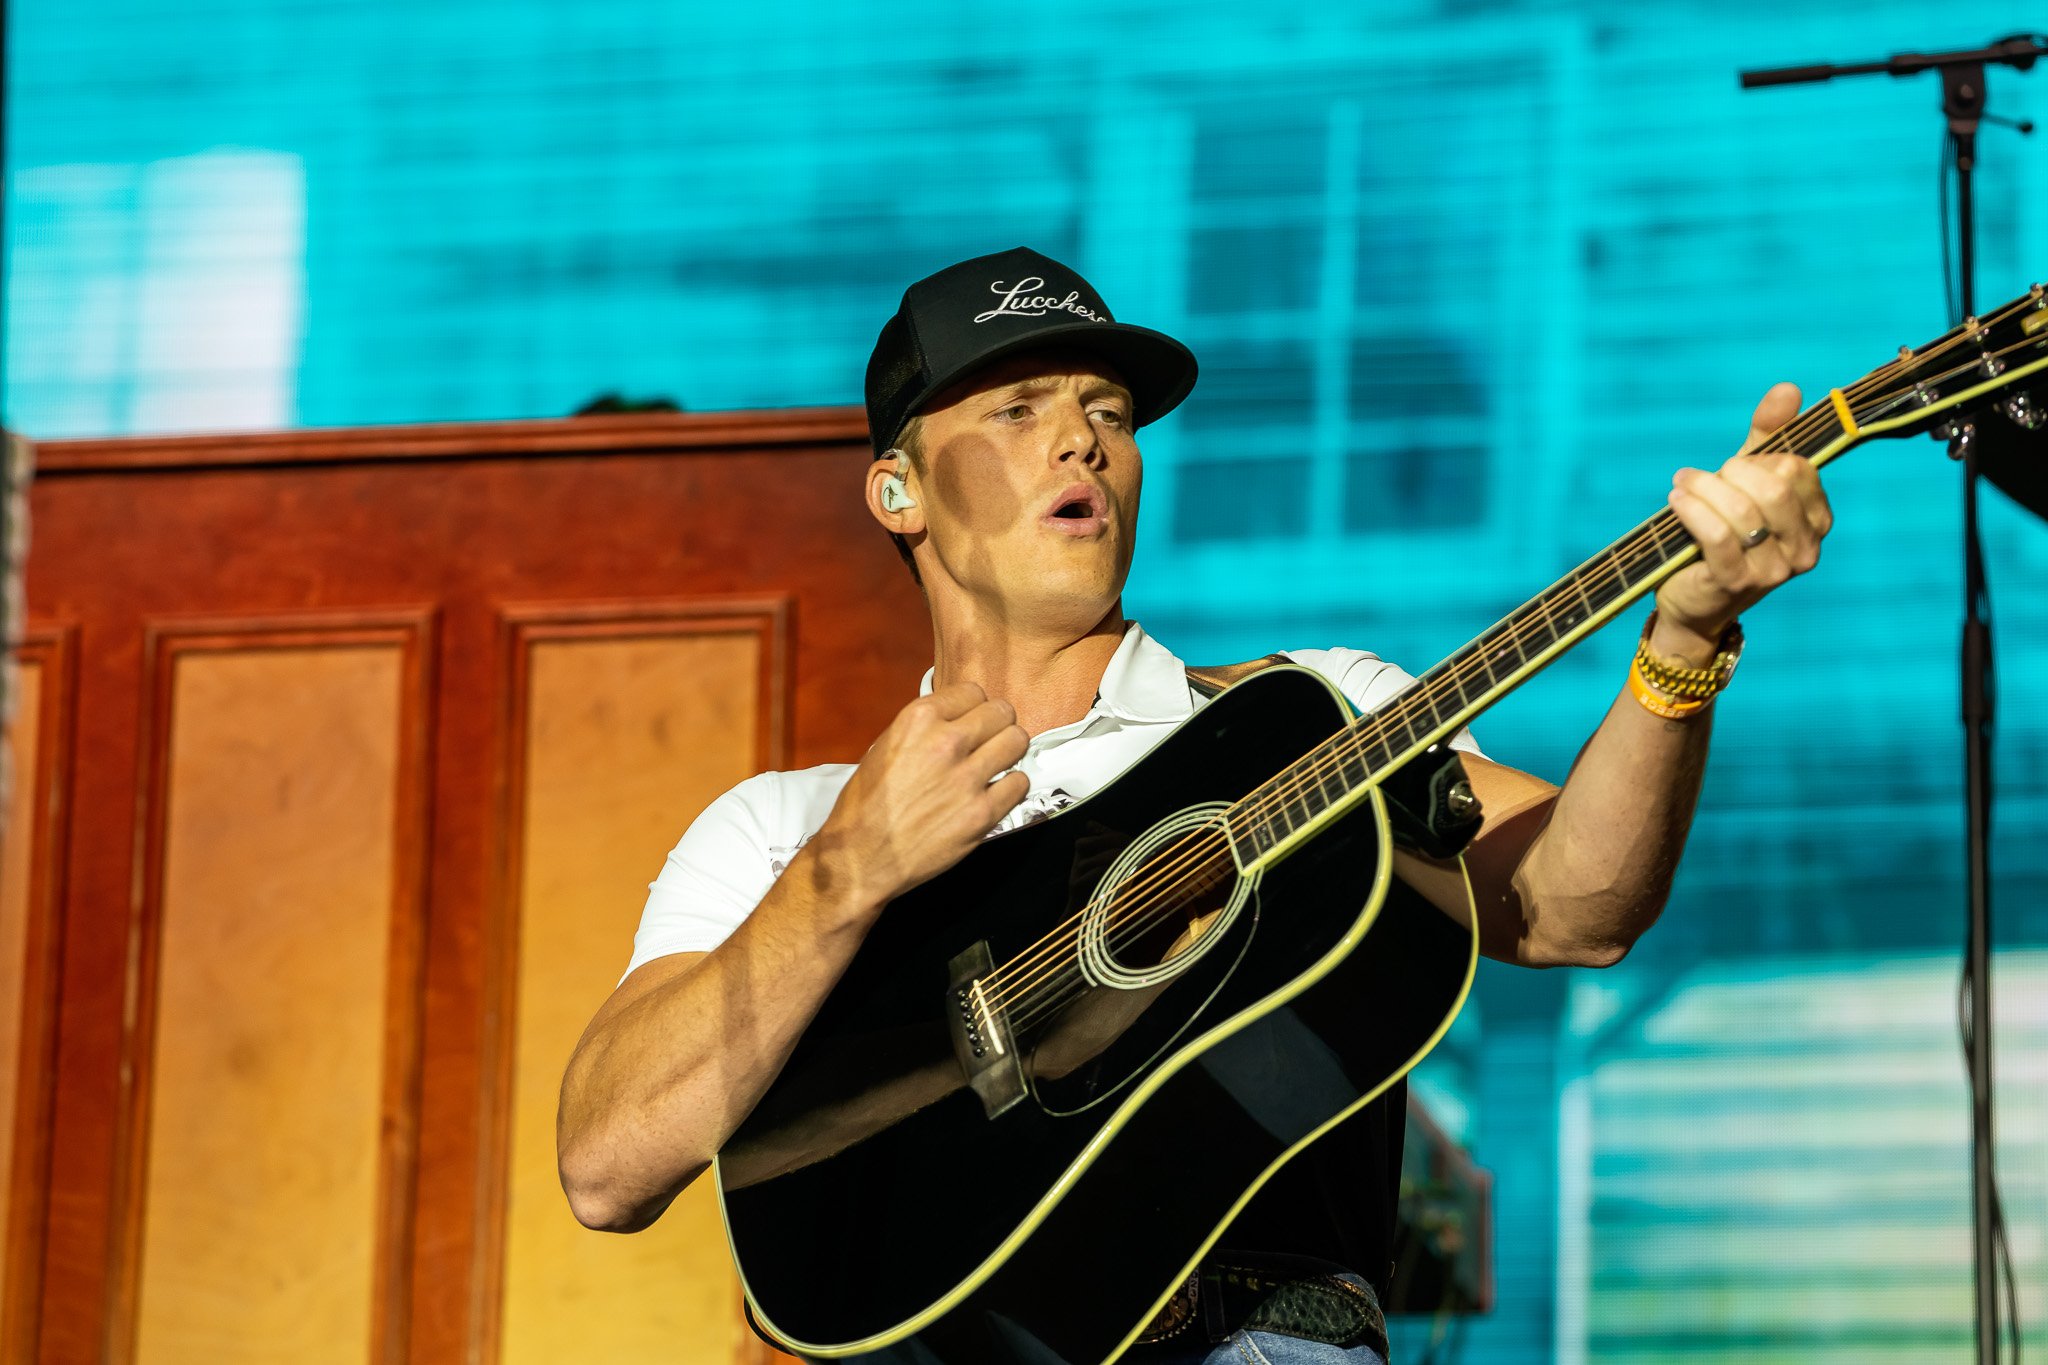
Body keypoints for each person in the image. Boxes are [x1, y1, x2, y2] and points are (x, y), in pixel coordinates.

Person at [555, 247, 1832, 1363]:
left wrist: (1681, 645)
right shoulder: (783, 827)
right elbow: (607, 1165)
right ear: (898, 491)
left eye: (1106, 413)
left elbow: (1572, 908)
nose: (1080, 441)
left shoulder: (1308, 714)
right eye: (1016, 409)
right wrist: (847, 874)